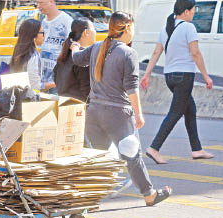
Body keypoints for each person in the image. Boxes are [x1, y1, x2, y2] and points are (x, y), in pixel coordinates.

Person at [72, 11, 172, 206]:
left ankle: (88, 198)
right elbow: (131, 87)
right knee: (132, 155)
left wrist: (75, 47)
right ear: (126, 28)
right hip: (117, 114)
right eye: (132, 27)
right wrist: (139, 114)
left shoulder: (97, 48)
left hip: (94, 114)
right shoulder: (128, 53)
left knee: (98, 158)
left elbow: (77, 59)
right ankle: (149, 194)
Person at [140, 0, 214, 164]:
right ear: (186, 12)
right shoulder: (189, 27)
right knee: (175, 112)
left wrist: (147, 74)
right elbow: (195, 53)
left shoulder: (166, 29)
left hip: (170, 77)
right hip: (184, 76)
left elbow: (155, 53)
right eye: (193, 11)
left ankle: (197, 149)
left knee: (190, 109)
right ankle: (154, 147)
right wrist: (206, 76)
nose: (194, 14)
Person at [54, 17, 96, 101]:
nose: (95, 32)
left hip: (64, 103)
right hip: (77, 107)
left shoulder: (66, 52)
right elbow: (87, 91)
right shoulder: (82, 57)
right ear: (86, 32)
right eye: (94, 29)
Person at [36, 0, 73, 94]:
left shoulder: (66, 21)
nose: (38, 6)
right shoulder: (43, 22)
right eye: (37, 3)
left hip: (58, 79)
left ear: (51, 2)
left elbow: (73, 47)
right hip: (43, 79)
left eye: (41, 3)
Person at [9, 19, 44, 91]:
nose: (44, 36)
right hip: (28, 99)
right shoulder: (33, 56)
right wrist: (54, 83)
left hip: (17, 97)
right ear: (34, 35)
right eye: (42, 33)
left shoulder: (19, 51)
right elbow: (35, 86)